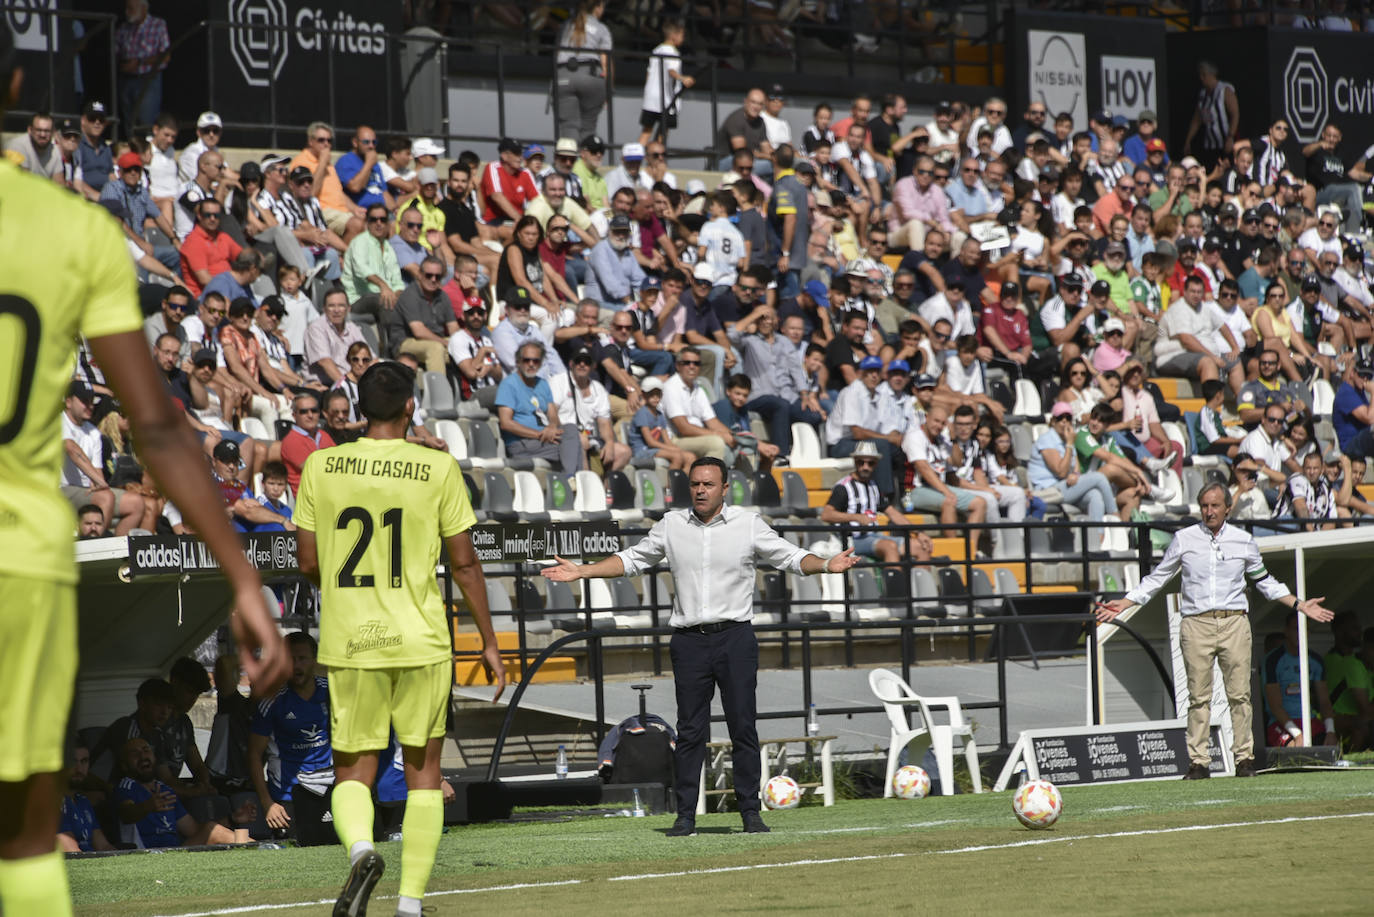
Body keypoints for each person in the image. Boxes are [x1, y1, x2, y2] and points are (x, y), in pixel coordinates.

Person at [542, 456, 860, 836]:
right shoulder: (672, 525)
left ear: (725, 488)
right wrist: (583, 570)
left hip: (735, 638)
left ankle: (749, 812)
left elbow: (790, 558)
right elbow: (632, 559)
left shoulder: (748, 524)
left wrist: (826, 564)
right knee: (690, 731)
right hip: (690, 642)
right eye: (695, 484)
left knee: (743, 727)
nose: (700, 490)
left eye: (708, 484)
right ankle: (686, 816)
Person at [294, 360, 506, 916]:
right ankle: (410, 905)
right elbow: (464, 566)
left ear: (358, 408)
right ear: (411, 406)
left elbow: (307, 560)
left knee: (353, 771)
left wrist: (345, 592)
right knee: (423, 773)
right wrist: (487, 639)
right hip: (421, 639)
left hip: (350, 639)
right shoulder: (437, 469)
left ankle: (362, 848)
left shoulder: (320, 465)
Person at [1100, 483, 1333, 778]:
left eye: (1214, 506)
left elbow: (1265, 581)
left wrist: (1299, 604)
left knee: (1240, 694)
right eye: (1205, 506)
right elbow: (1158, 577)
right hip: (1196, 623)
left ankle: (1244, 759)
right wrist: (1127, 601)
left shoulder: (1243, 540)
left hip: (1234, 621)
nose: (1209, 511)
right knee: (1198, 696)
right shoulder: (1184, 538)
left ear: (1227, 508)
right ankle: (1198, 762)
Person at [247, 632, 336, 846]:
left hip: (331, 790)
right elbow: (253, 755)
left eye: (302, 659)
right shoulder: (272, 701)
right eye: (290, 659)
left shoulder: (332, 693)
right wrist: (267, 803)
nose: (296, 666)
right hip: (288, 797)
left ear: (314, 661)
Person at [495, 340, 585, 471]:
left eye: (535, 361)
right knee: (572, 447)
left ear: (541, 363)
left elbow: (553, 415)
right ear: (518, 361)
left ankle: (572, 480)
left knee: (571, 429)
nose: (531, 364)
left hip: (544, 439)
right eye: (527, 360)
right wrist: (539, 434)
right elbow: (506, 423)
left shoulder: (543, 384)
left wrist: (552, 427)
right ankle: (572, 480)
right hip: (522, 443)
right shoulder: (508, 385)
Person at [1263, 612, 1340, 749]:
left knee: (1330, 751)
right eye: (1296, 629)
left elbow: (1324, 701)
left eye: (1304, 629)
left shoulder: (1315, 661)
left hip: (1309, 721)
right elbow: (1275, 706)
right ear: (1286, 631)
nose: (1301, 633)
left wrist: (1330, 730)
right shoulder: (1273, 660)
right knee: (1295, 752)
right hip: (1280, 723)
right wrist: (1297, 734)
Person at [554, 0, 611, 142]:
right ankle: (584, 160)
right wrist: (608, 90)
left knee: (568, 128)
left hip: (564, 75)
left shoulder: (565, 26)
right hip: (591, 76)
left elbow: (556, 54)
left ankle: (568, 161)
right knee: (588, 129)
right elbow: (606, 62)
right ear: (597, 8)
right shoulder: (602, 29)